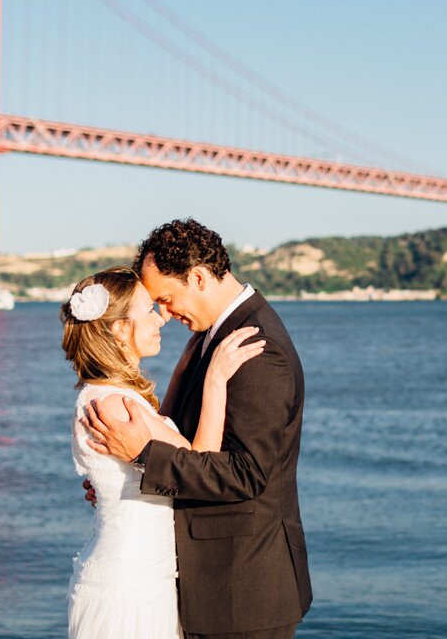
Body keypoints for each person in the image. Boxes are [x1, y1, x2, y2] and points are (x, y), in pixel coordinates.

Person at [82, 219, 313, 639]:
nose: (165, 316)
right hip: (208, 585)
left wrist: (143, 457)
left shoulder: (256, 350)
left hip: (241, 591)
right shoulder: (211, 336)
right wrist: (124, 481)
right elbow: (188, 443)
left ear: (200, 277)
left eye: (167, 300)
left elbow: (246, 475)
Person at [62, 265, 265, 639]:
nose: (161, 320)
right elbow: (200, 462)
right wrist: (216, 379)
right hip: (131, 585)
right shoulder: (115, 405)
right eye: (148, 311)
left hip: (145, 575)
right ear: (120, 329)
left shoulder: (109, 396)